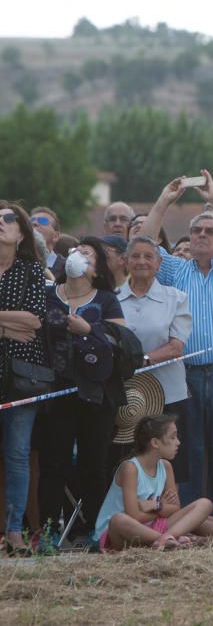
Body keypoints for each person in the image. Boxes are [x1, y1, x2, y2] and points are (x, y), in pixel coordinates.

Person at [138, 171, 213, 514]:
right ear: (188, 238)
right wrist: (164, 200)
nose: (202, 235)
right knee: (185, 448)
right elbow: (144, 245)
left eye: (210, 231)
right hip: (183, 374)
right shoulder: (174, 270)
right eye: (196, 231)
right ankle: (188, 517)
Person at [38, 237, 127, 544]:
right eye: (77, 251)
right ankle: (48, 533)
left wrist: (91, 331)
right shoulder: (49, 295)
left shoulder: (106, 299)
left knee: (93, 465)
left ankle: (97, 532)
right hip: (55, 393)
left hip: (96, 396)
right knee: (53, 464)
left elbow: (121, 341)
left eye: (88, 254)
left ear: (97, 268)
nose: (79, 256)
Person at [0, 201, 48, 555]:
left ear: (21, 233)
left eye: (7, 219)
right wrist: (6, 325)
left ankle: (14, 530)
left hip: (21, 377)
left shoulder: (32, 270)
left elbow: (33, 322)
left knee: (17, 456)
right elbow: (18, 322)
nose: (0, 224)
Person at [95, 415, 213, 551]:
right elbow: (134, 516)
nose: (178, 442)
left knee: (205, 504)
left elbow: (175, 508)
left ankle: (166, 539)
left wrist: (156, 505)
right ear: (155, 443)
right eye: (173, 437)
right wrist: (161, 509)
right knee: (118, 520)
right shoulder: (130, 468)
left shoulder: (166, 466)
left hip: (152, 527)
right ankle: (167, 540)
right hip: (121, 533)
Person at [117, 236, 191, 411]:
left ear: (159, 263)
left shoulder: (177, 298)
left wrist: (140, 362)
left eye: (148, 257)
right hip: (122, 392)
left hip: (167, 392)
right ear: (125, 262)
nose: (141, 262)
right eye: (135, 256)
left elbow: (175, 347)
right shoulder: (111, 298)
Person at [29, 206, 65, 279]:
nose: (34, 223)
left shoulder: (65, 268)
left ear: (56, 236)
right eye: (31, 221)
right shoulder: (16, 264)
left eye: (43, 221)